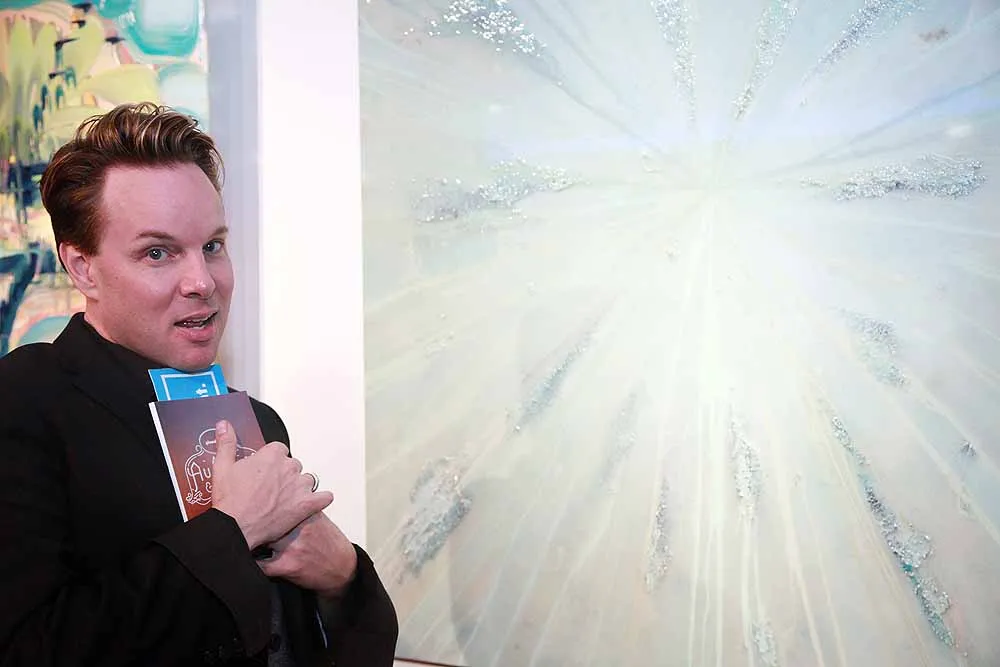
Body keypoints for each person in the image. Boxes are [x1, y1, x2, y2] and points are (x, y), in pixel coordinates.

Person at [0, 103, 398, 665]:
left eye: (212, 246)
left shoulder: (257, 420)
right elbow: (27, 647)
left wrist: (343, 578)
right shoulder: (24, 400)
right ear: (83, 267)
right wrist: (232, 532)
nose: (202, 282)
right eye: (157, 253)